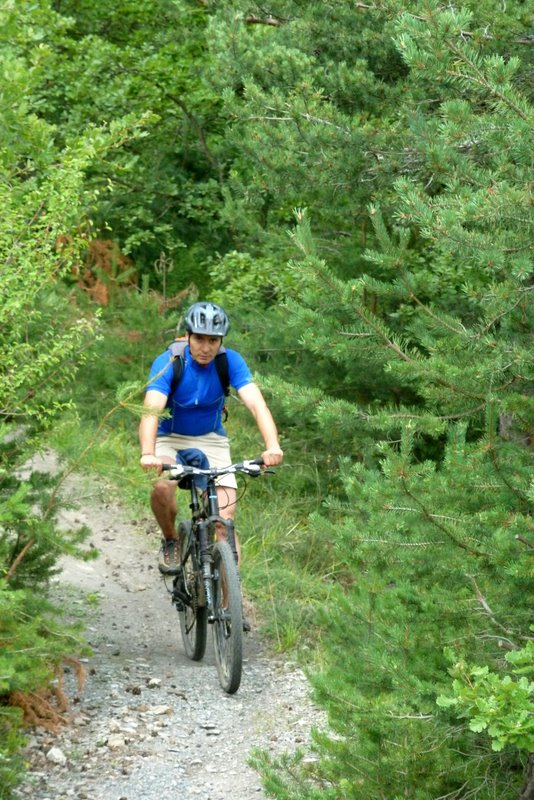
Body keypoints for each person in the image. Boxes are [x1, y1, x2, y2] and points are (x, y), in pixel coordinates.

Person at [139, 300, 284, 577]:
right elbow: (150, 410)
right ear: (189, 336)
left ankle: (231, 613)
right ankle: (171, 539)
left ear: (221, 341)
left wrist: (272, 446)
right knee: (162, 488)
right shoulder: (170, 361)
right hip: (169, 437)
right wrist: (148, 452)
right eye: (200, 339)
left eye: (213, 341)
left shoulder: (229, 362)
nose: (206, 348)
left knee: (224, 522)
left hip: (211, 439)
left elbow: (257, 405)